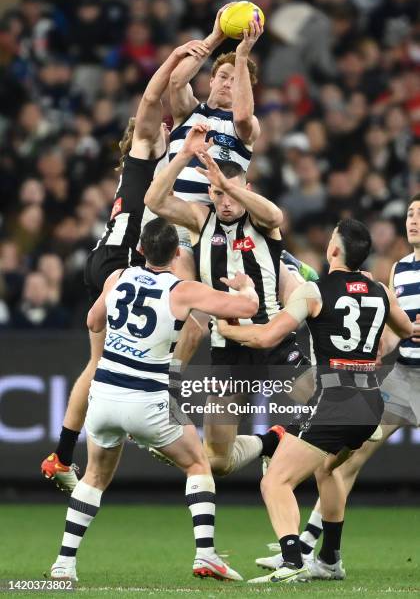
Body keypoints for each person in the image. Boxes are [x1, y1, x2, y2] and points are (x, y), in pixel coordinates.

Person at [49, 217, 259, 583]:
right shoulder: (182, 290)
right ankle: (206, 554)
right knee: (198, 466)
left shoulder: (117, 278)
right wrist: (249, 289)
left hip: (104, 396)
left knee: (95, 476)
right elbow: (244, 309)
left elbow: (92, 322)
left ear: (141, 249)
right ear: (178, 253)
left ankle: (64, 563)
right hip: (148, 399)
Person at [40, 39, 210, 491]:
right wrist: (175, 57)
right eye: (163, 128)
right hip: (120, 263)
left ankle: (61, 454)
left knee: (99, 363)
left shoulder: (149, 166)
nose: (167, 128)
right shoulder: (146, 155)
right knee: (192, 326)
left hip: (110, 260)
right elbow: (153, 98)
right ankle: (163, 399)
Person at [217, 218, 413, 584]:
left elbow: (265, 337)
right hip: (371, 401)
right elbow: (406, 330)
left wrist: (227, 328)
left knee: (275, 482)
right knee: (328, 470)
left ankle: (293, 561)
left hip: (335, 399)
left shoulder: (313, 291)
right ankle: (330, 559)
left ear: (334, 249)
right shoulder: (380, 291)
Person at [145, 123, 310, 477]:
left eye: (232, 194)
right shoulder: (201, 220)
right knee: (217, 460)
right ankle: (272, 441)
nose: (226, 203)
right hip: (228, 346)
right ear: (210, 193)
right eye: (218, 195)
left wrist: (229, 183)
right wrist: (184, 156)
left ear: (245, 190)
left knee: (324, 404)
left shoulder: (263, 222)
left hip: (272, 337)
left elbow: (275, 215)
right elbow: (154, 201)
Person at [142, 4, 263, 279]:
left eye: (236, 80)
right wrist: (215, 37)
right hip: (174, 213)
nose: (228, 84)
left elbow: (244, 116)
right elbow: (176, 81)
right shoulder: (189, 112)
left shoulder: (247, 125)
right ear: (210, 80)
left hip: (217, 222)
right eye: (222, 76)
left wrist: (242, 57)